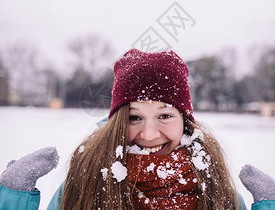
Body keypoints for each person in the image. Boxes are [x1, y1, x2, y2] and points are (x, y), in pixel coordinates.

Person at [0, 49, 274, 210]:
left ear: (185, 119)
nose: (149, 134)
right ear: (117, 122)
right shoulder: (86, 181)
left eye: (165, 115)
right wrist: (12, 201)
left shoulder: (214, 187)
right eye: (134, 118)